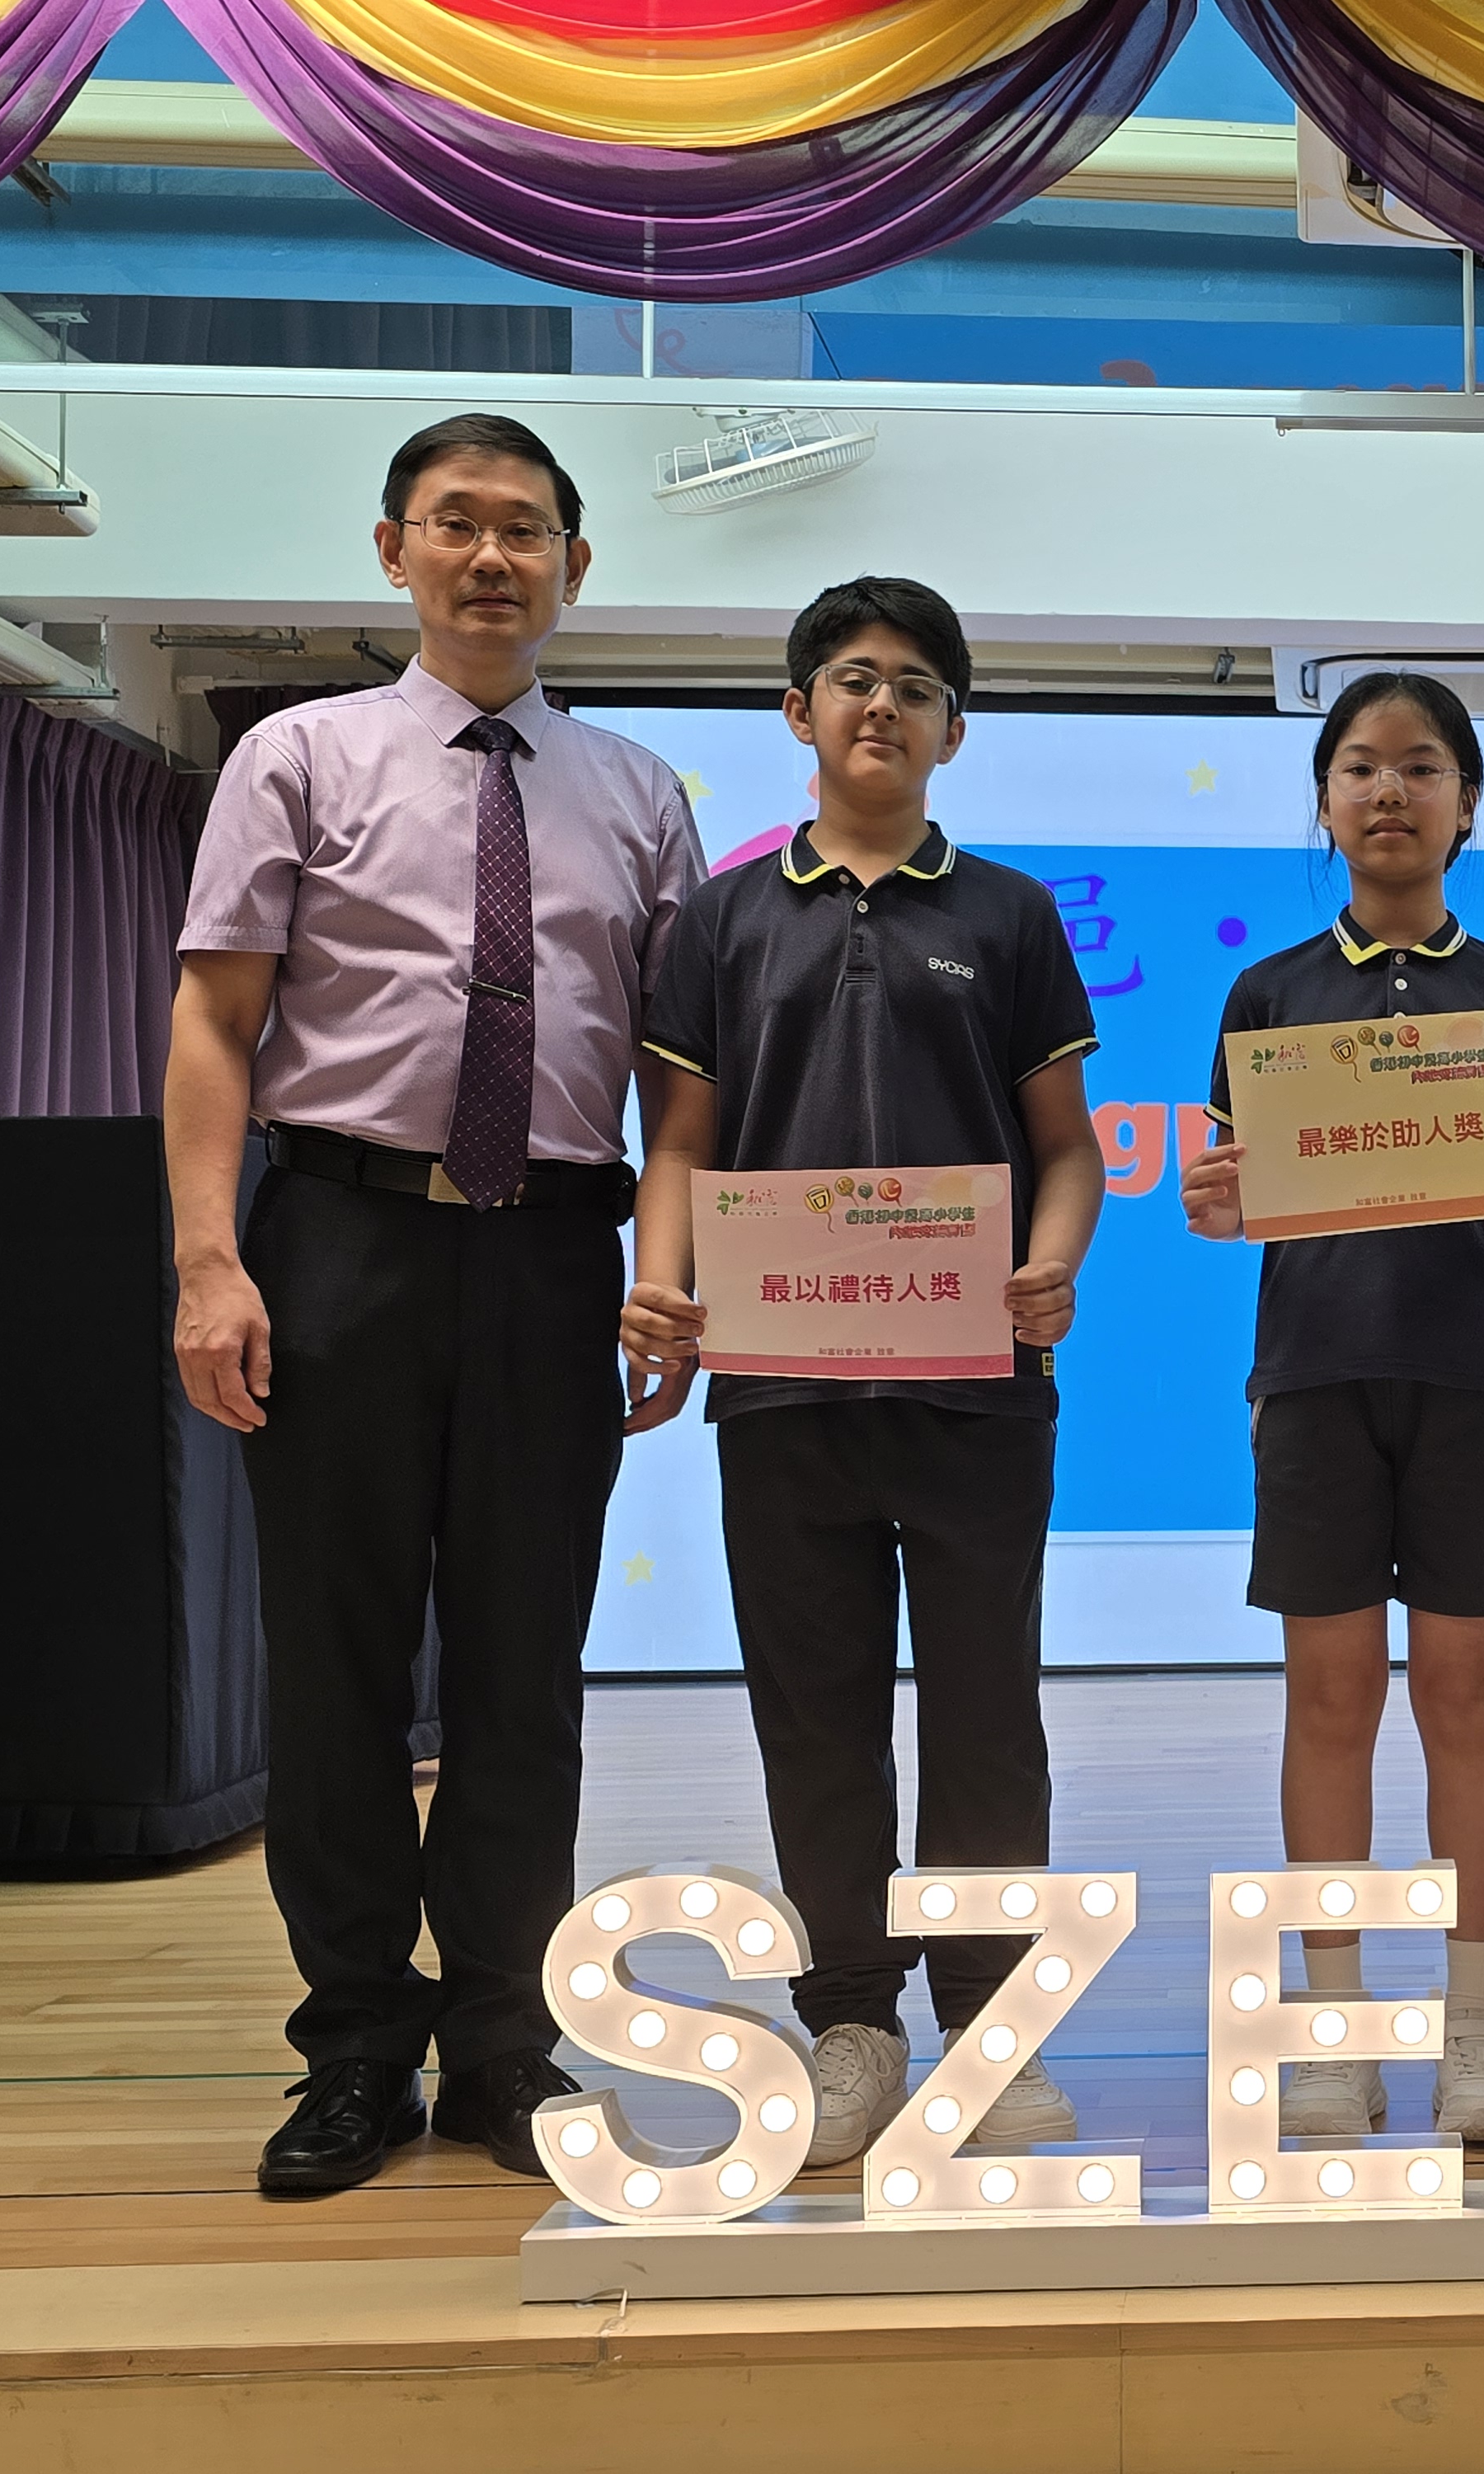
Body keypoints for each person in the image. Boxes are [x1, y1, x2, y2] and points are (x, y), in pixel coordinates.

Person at [167, 414, 702, 2195]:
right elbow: (217, 1022)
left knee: (522, 1669)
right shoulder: (300, 757)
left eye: (526, 529)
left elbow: (679, 1078)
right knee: (333, 1671)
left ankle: (497, 2044)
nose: (492, 556)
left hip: (553, 1254)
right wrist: (209, 1260)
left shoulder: (640, 794)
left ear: (575, 566)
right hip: (341, 1241)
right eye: (456, 524)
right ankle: (351, 2051)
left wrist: (668, 1272)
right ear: (393, 549)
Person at [621, 578, 1107, 2168]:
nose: (880, 703)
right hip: (781, 1392)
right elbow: (680, 1145)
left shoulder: (1010, 916)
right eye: (850, 678)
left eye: (913, 684)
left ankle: (990, 2026)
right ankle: (848, 2021)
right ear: (798, 713)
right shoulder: (722, 920)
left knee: (986, 1718)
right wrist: (659, 1284)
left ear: (953, 729)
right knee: (814, 1716)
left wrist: (1053, 1264)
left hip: (978, 1386)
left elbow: (1068, 1150)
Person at [1178, 672, 1484, 2145]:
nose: (1389, 792)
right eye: (1360, 766)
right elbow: (1240, 1207)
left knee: (1466, 1700)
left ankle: (1473, 2025)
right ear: (1324, 798)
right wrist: (1215, 1206)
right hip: (1313, 1380)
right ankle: (1339, 2028)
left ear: (1467, 801)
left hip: (1478, 1380)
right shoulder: (1268, 996)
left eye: (1421, 767)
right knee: (1330, 1701)